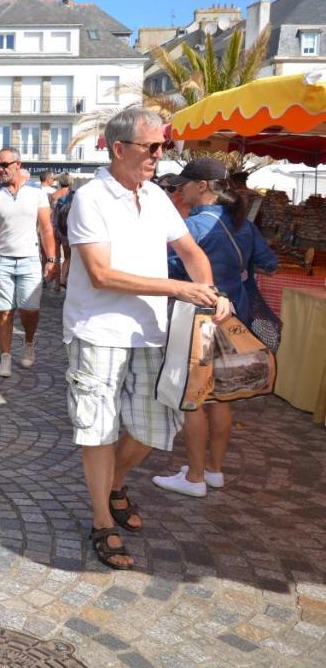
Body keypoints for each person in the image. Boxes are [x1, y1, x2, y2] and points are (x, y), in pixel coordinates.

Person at [63, 107, 231, 570]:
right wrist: (180, 288)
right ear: (119, 149)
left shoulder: (155, 197)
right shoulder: (90, 198)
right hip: (97, 331)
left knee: (154, 427)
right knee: (97, 428)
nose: (160, 155)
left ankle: (113, 483)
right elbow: (100, 274)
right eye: (152, 147)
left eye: (163, 146)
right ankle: (102, 521)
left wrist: (209, 293)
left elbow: (191, 252)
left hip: (151, 331)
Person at [153, 158, 278, 498]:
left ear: (202, 186)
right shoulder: (244, 225)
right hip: (236, 319)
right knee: (222, 396)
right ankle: (214, 471)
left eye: (186, 184)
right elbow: (269, 264)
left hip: (198, 319)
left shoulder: (192, 228)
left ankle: (193, 477)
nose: (181, 189)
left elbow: (168, 272)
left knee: (194, 397)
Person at [0, 148, 58, 376]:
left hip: (30, 259)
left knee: (29, 310)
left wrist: (51, 259)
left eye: (4, 165)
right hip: (1, 259)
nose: (0, 170)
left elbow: (47, 228)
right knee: (4, 311)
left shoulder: (37, 193)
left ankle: (29, 343)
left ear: (17, 164)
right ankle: (6, 356)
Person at [51, 173, 74, 288]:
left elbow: (51, 213)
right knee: (68, 256)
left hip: (55, 228)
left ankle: (56, 284)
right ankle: (63, 278)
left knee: (56, 257)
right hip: (67, 230)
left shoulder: (54, 195)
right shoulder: (73, 195)